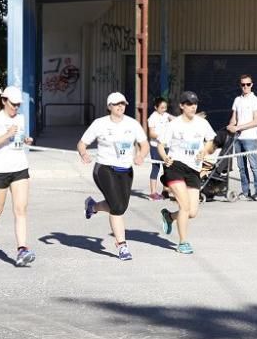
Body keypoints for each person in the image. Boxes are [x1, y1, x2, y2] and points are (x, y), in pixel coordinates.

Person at [78, 92, 150, 261]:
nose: (121, 107)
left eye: (123, 104)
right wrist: (84, 154)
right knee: (117, 207)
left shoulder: (132, 124)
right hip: (104, 169)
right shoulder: (100, 124)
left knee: (119, 206)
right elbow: (82, 143)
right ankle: (122, 245)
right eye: (117, 104)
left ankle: (92, 206)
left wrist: (141, 155)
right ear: (109, 106)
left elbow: (144, 144)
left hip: (125, 170)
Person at [0, 85, 36, 267]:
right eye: (13, 104)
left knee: (20, 210)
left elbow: (18, 138)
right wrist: (6, 135)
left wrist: (25, 139)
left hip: (19, 168)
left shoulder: (20, 118)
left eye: (18, 105)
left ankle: (22, 250)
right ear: (4, 101)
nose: (16, 108)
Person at [157, 91, 217, 255]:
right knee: (184, 205)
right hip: (175, 166)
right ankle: (183, 242)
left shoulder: (202, 123)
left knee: (192, 212)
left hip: (193, 169)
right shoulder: (174, 124)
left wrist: (204, 151)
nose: (193, 106)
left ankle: (169, 217)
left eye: (195, 103)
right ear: (181, 106)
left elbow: (212, 140)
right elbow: (161, 145)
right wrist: (164, 156)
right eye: (189, 104)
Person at [228, 74, 257, 200]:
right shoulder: (237, 100)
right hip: (238, 139)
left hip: (250, 138)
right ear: (240, 85)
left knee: (254, 166)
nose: (245, 87)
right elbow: (234, 117)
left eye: (248, 84)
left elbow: (256, 121)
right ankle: (245, 191)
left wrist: (238, 127)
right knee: (241, 167)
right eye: (243, 84)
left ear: (251, 85)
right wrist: (231, 125)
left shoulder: (255, 100)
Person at [147, 97, 173, 201]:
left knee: (167, 168)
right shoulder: (152, 118)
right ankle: (153, 193)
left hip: (167, 146)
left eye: (165, 107)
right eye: (162, 107)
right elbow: (151, 133)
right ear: (156, 107)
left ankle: (165, 191)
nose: (164, 109)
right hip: (156, 146)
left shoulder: (166, 115)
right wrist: (161, 137)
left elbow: (177, 119)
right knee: (156, 168)